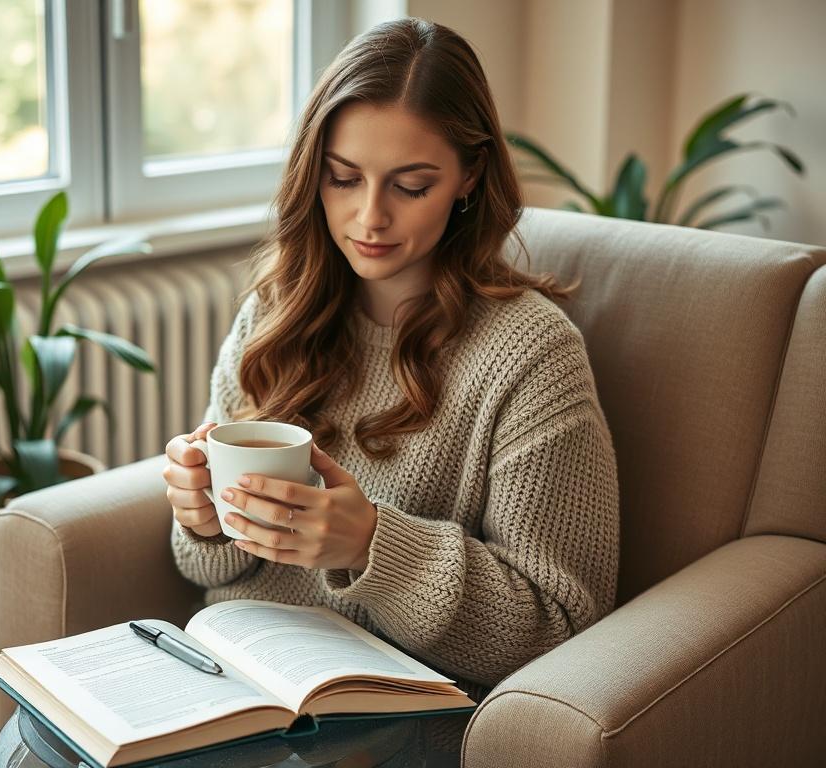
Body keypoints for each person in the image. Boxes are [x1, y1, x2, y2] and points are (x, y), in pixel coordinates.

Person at [162, 17, 619, 705]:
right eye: (343, 178)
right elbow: (207, 563)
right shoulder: (276, 312)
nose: (369, 218)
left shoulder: (531, 355)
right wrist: (201, 515)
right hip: (235, 681)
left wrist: (374, 545)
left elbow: (559, 625)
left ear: (469, 176)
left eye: (410, 187)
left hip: (392, 721)